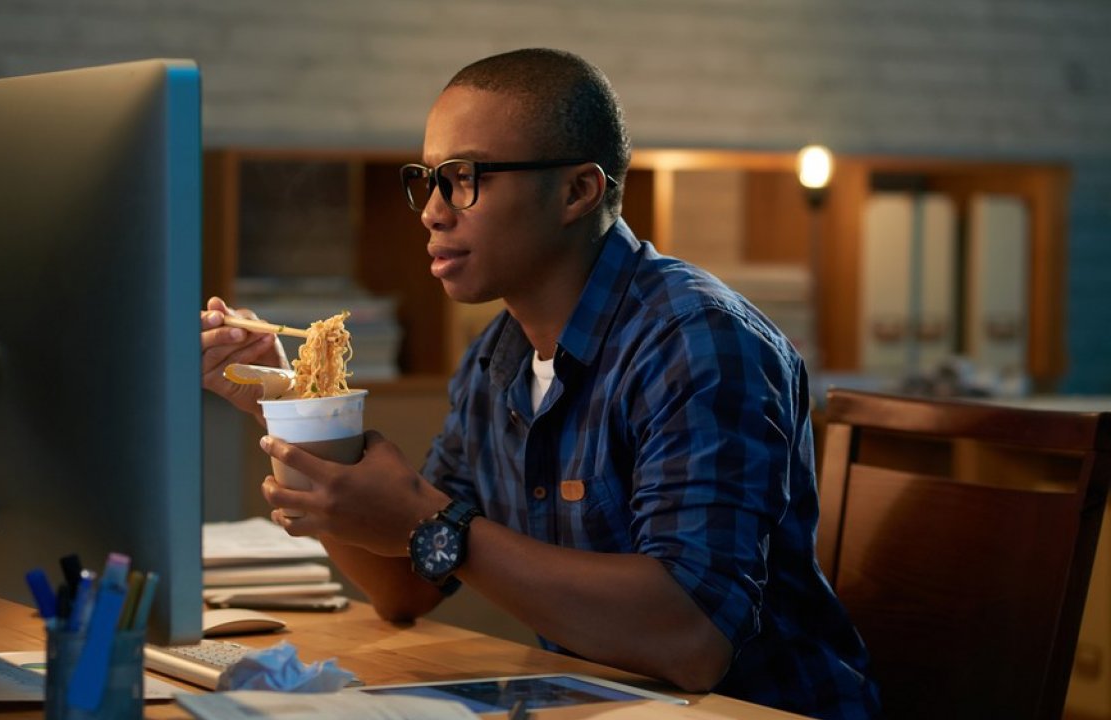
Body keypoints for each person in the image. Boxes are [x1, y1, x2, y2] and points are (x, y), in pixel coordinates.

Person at [200, 48, 880, 719]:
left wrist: (428, 520)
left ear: (577, 191)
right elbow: (406, 585)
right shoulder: (499, 356)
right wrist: (292, 410)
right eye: (428, 179)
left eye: (464, 178)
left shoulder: (698, 341)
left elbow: (690, 640)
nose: (432, 212)